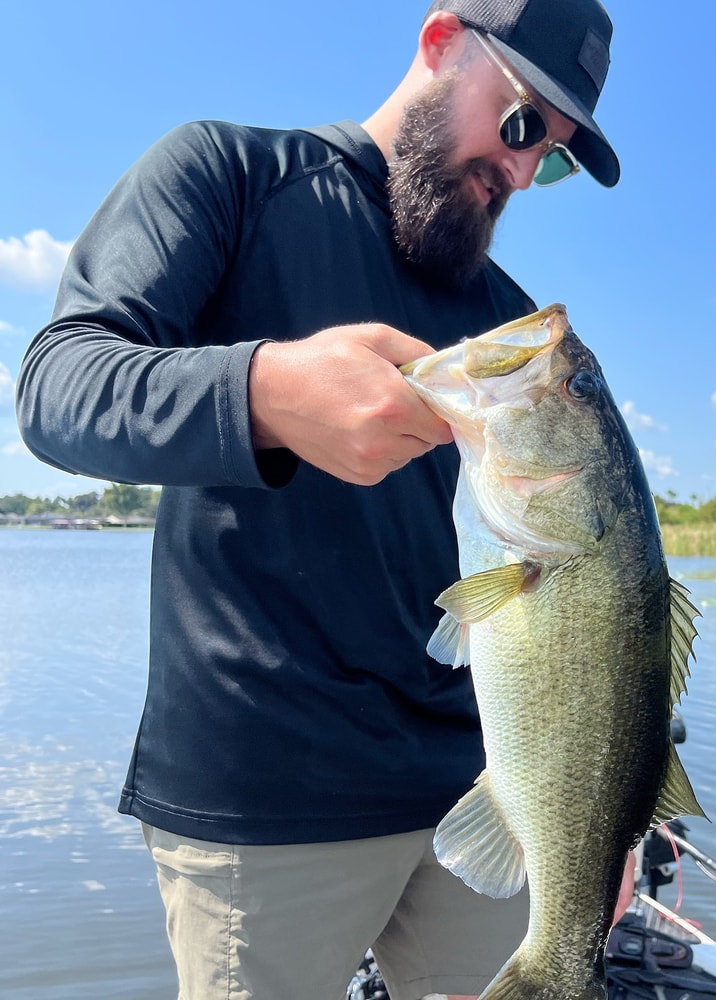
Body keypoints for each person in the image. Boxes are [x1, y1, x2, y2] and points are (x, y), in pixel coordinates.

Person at [16, 1, 622, 998]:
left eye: (549, 160)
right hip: (264, 792)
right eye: (522, 124)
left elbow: (584, 588)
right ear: (439, 43)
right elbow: (58, 387)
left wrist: (599, 822)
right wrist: (263, 392)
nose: (520, 172)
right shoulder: (229, 175)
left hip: (479, 787)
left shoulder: (511, 325)